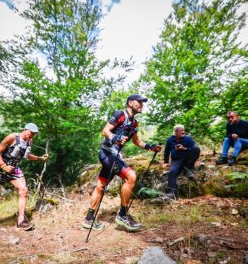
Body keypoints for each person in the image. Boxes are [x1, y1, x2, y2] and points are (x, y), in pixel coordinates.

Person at [82, 94, 162, 232]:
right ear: (130, 103)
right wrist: (115, 138)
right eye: (140, 102)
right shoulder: (120, 114)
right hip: (107, 153)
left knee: (101, 185)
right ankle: (122, 215)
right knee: (131, 176)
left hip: (114, 156)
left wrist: (150, 147)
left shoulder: (134, 123)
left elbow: (137, 142)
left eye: (143, 103)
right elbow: (105, 131)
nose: (142, 105)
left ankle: (89, 219)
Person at [0, 123, 49, 232]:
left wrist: (40, 158)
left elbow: (27, 156)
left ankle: (21, 221)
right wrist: (3, 166)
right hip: (1, 169)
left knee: (23, 190)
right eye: (30, 132)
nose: (32, 135)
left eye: (34, 134)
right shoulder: (12, 137)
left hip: (14, 170)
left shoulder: (29, 141)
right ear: (25, 129)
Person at [161, 125, 200, 199]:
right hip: (176, 160)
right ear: (176, 131)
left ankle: (188, 168)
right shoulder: (170, 139)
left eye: (183, 130)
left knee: (196, 148)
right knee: (172, 172)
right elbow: (166, 151)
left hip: (187, 159)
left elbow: (194, 149)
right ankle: (171, 192)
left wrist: (184, 148)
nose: (183, 132)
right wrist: (166, 162)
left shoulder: (187, 138)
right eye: (181, 130)